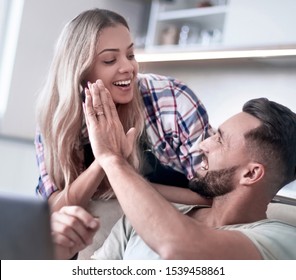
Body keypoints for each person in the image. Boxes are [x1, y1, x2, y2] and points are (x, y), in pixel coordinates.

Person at [52, 94, 296, 260]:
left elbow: (179, 247)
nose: (203, 145)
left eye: (219, 139)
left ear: (251, 173)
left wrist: (112, 159)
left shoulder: (281, 240)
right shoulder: (138, 221)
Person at [35, 8, 212, 212]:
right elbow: (53, 210)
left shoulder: (172, 99)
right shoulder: (56, 117)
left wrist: (124, 183)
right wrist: (106, 160)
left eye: (130, 54)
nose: (128, 67)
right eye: (110, 60)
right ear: (80, 71)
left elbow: (213, 199)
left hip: (180, 217)